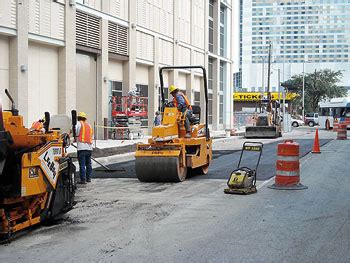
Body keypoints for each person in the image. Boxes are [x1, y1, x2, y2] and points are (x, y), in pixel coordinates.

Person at [75, 112, 93, 184]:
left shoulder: (78, 124)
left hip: (81, 148)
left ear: (78, 118)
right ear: (85, 118)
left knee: (82, 164)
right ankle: (89, 178)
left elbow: (75, 133)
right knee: (88, 164)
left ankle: (83, 180)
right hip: (89, 148)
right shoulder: (89, 125)